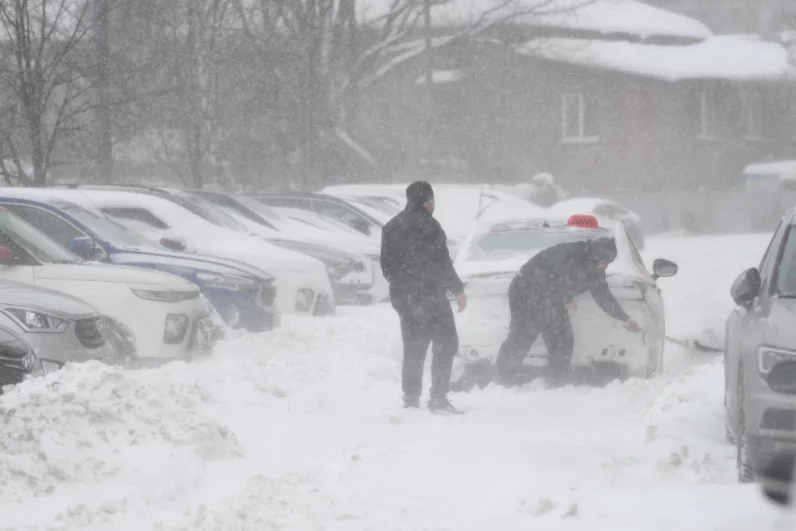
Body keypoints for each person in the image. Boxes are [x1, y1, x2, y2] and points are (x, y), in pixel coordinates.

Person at [495, 237, 639, 386]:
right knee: (523, 334)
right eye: (604, 261)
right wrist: (561, 296)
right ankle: (504, 378)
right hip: (525, 292)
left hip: (554, 299)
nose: (605, 265)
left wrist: (624, 318)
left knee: (562, 338)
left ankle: (558, 379)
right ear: (595, 255)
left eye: (608, 263)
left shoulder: (595, 270)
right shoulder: (568, 254)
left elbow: (603, 296)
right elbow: (543, 276)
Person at [380, 181, 468, 412]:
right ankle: (438, 398)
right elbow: (441, 262)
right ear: (427, 201)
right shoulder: (430, 226)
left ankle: (410, 398)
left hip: (404, 297)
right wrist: (457, 289)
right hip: (430, 296)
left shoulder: (391, 226)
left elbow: (386, 266)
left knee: (413, 345)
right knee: (446, 343)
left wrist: (402, 286)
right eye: (432, 200)